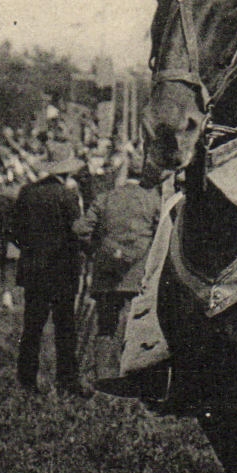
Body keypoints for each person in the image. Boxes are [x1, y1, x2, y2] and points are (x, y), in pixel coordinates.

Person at [9, 144, 90, 396]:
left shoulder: (27, 193)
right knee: (65, 327)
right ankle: (67, 380)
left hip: (34, 271)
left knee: (32, 327)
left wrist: (32, 249)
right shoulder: (67, 197)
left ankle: (26, 380)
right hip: (62, 271)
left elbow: (13, 232)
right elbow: (78, 233)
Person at [79, 158, 162, 383]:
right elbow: (162, 234)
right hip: (139, 273)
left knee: (106, 325)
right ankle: (134, 376)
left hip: (107, 273)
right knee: (139, 326)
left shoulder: (105, 198)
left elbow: (82, 230)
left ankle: (103, 377)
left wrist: (98, 250)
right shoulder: (153, 201)